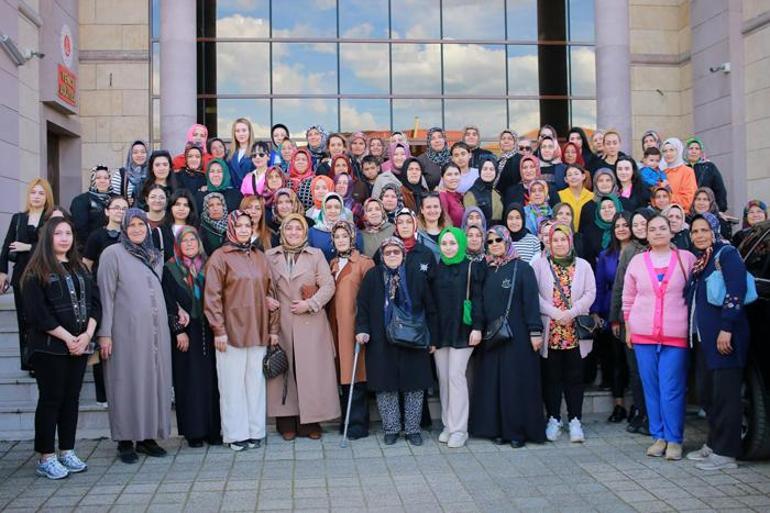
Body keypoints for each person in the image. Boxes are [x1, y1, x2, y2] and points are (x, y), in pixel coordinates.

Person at [21, 217, 100, 479]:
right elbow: (38, 314)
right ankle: (46, 456)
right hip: (50, 347)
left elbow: (95, 303)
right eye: (58, 234)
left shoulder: (80, 269)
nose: (64, 238)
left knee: (71, 400)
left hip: (80, 345)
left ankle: (67, 450)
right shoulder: (36, 271)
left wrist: (87, 335)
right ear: (48, 238)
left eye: (68, 233)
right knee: (51, 400)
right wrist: (68, 338)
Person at [97, 208, 173, 464]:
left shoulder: (155, 255)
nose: (138, 229)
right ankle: (125, 440)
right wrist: (105, 333)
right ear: (124, 228)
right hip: (124, 330)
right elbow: (105, 296)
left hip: (155, 330)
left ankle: (147, 437)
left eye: (142, 224)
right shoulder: (112, 254)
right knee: (126, 381)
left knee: (152, 381)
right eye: (132, 225)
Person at [622, 215, 696, 460]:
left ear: (671, 232)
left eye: (662, 228)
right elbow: (628, 298)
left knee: (672, 388)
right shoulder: (637, 261)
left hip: (676, 335)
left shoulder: (686, 259)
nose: (657, 232)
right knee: (651, 388)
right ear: (646, 234)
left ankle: (674, 439)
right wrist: (629, 329)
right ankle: (659, 436)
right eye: (652, 229)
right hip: (643, 334)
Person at [204, 211, 279, 450]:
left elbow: (271, 293)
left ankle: (255, 430)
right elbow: (212, 297)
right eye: (240, 225)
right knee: (232, 386)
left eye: (249, 225)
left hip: (258, 329)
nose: (245, 229)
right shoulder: (220, 257)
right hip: (231, 332)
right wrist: (219, 330)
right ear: (231, 228)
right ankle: (236, 434)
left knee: (255, 384)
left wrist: (273, 326)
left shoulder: (259, 256)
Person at [355, 237, 437, 446]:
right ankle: (391, 428)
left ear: (403, 254)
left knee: (414, 385)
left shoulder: (416, 276)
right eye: (388, 252)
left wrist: (432, 338)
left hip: (413, 338)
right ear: (382, 255)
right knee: (385, 386)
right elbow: (362, 306)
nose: (392, 255)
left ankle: (412, 429)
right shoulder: (373, 276)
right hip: (381, 339)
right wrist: (362, 330)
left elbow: (431, 307)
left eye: (396, 252)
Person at [266, 214, 341, 440]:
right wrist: (266, 299)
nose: (294, 233)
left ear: (305, 232)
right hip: (281, 322)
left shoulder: (315, 255)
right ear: (283, 231)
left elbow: (328, 285)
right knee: (284, 370)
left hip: (310, 320)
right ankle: (286, 420)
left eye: (298, 229)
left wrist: (311, 303)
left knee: (310, 372)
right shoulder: (270, 255)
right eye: (289, 229)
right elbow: (263, 284)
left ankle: (311, 421)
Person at [469, 226, 545, 447]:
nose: (494, 244)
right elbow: (478, 302)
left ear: (507, 241)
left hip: (518, 336)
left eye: (498, 240)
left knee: (515, 384)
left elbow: (531, 302)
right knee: (496, 384)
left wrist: (534, 331)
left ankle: (517, 432)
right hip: (493, 338)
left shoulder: (522, 268)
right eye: (490, 241)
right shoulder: (486, 269)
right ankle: (500, 429)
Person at [685, 213, 749, 470]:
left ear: (715, 230)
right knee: (708, 395)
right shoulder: (702, 261)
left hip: (725, 338)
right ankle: (713, 443)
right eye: (695, 231)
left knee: (726, 396)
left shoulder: (727, 254)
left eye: (704, 230)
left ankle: (726, 453)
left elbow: (736, 291)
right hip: (704, 341)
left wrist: (727, 328)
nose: (699, 235)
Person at [533, 223, 596, 443]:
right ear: (548, 243)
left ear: (570, 241)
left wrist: (571, 312)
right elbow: (535, 295)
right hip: (551, 331)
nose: (559, 244)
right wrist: (554, 313)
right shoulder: (540, 266)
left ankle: (575, 419)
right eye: (555, 240)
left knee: (575, 378)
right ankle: (553, 418)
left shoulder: (584, 265)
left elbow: (590, 293)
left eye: (563, 239)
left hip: (574, 331)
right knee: (552, 378)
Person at [162, 227, 222, 448]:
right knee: (189, 382)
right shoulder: (170, 268)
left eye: (192, 239)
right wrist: (177, 330)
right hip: (186, 333)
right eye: (184, 241)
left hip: (210, 329)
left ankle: (213, 430)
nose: (189, 244)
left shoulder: (209, 265)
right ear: (178, 244)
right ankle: (193, 433)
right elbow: (167, 301)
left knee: (211, 382)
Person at [432, 227, 483, 448]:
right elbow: (431, 304)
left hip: (464, 330)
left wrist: (478, 327)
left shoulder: (472, 267)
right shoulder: (437, 268)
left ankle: (460, 429)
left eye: (453, 243)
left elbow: (479, 300)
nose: (449, 247)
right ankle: (447, 424)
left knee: (455, 377)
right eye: (444, 243)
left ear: (461, 243)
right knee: (443, 379)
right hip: (441, 331)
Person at [0, 178, 54, 372]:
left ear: (47, 196)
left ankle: (42, 358)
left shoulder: (51, 218)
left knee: (40, 317)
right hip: (21, 276)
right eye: (33, 192)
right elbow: (6, 246)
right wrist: (2, 272)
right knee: (23, 319)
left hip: (44, 276)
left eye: (41, 193)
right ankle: (28, 361)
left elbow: (53, 247)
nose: (36, 196)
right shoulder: (18, 218)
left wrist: (28, 247)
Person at [327, 221, 374, 440]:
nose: (341, 240)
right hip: (334, 326)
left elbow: (370, 298)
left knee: (355, 373)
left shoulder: (364, 263)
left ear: (352, 238)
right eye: (337, 237)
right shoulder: (333, 263)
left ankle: (357, 424)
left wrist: (364, 326)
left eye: (345, 236)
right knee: (343, 374)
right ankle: (345, 419)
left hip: (354, 326)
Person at [610, 208, 655, 434]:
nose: (638, 228)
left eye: (641, 224)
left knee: (654, 371)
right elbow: (619, 285)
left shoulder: (667, 248)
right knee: (636, 370)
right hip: (632, 319)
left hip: (659, 320)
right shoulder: (629, 251)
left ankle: (655, 415)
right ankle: (641, 412)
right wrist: (615, 318)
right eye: (635, 225)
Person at [591, 212, 632, 422]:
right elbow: (598, 284)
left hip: (635, 312)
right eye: (618, 226)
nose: (622, 229)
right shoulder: (606, 255)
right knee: (616, 360)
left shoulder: (640, 252)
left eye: (626, 225)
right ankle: (619, 405)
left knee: (633, 361)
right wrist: (596, 311)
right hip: (611, 310)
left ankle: (638, 406)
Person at [70, 165, 112, 252]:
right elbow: (80, 228)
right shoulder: (81, 200)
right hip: (90, 248)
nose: (102, 181)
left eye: (106, 178)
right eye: (98, 178)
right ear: (93, 179)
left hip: (113, 245)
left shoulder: (116, 199)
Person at [308, 192, 361, 261]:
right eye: (329, 207)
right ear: (323, 209)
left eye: (337, 207)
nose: (333, 211)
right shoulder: (313, 232)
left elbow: (359, 256)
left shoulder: (353, 231)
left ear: (342, 209)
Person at [684, 137, 728, 212]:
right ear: (686, 151)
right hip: (687, 210)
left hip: (706, 209)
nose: (694, 151)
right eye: (691, 148)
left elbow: (719, 189)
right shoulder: (682, 168)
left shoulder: (709, 166)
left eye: (697, 149)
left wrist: (720, 209)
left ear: (701, 152)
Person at [581, 195, 622, 268]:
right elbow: (587, 257)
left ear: (617, 208)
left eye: (610, 207)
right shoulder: (589, 231)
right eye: (603, 208)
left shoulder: (625, 228)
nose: (607, 210)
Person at [661, 138, 697, 212]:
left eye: (672, 150)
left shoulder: (687, 171)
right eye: (665, 151)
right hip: (663, 215)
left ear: (678, 151)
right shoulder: (662, 172)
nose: (668, 153)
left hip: (682, 216)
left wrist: (665, 198)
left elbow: (688, 200)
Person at [464, 158, 503, 225]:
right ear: (480, 171)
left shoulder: (497, 193)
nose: (488, 172)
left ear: (496, 172)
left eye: (491, 169)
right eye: (485, 169)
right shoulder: (470, 194)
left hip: (496, 233)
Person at [111, 140, 148, 206]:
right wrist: (125, 201)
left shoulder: (152, 173)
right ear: (130, 155)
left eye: (143, 152)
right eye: (135, 152)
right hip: (126, 214)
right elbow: (113, 199)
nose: (139, 155)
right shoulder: (121, 174)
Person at [558, 165, 593, 231]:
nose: (573, 177)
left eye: (576, 174)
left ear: (583, 176)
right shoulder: (559, 195)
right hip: (565, 234)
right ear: (565, 179)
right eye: (570, 175)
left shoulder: (592, 197)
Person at [416, 193, 450, 260]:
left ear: (440, 209)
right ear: (422, 210)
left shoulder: (450, 232)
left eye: (436, 206)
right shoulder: (416, 235)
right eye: (428, 207)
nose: (432, 210)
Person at [227, 118, 255, 188]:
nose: (241, 134)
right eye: (237, 131)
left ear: (249, 132)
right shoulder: (230, 153)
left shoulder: (256, 151)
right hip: (234, 193)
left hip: (251, 194)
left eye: (244, 130)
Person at [439, 162, 465, 227]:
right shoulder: (442, 196)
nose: (453, 178)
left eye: (456, 174)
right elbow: (444, 223)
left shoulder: (460, 195)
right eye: (449, 174)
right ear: (442, 178)